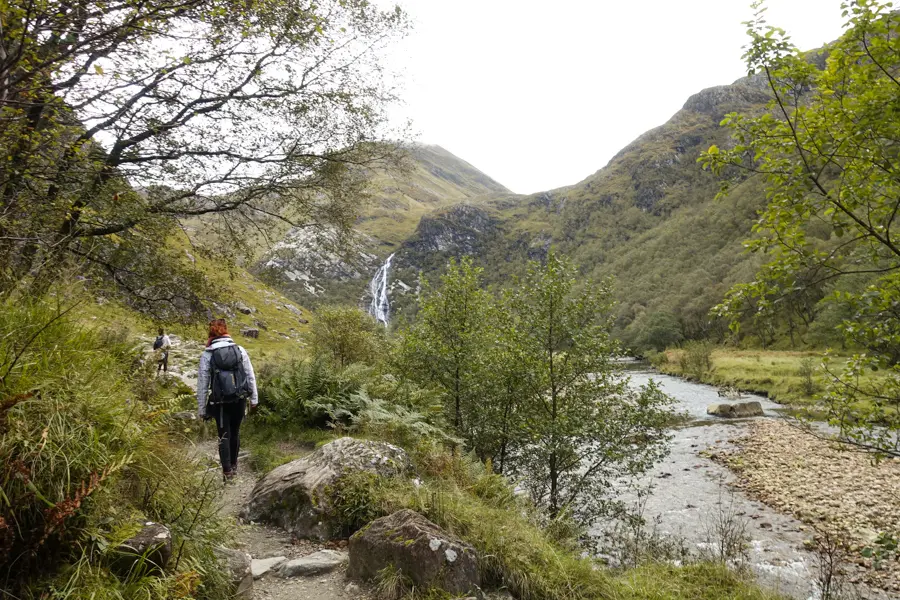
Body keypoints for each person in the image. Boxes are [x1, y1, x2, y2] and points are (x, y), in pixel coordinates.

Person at [196, 319, 258, 480]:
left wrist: (202, 409)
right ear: (226, 332)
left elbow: (202, 383)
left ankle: (227, 472)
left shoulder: (208, 354)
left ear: (211, 334)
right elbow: (250, 376)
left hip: (220, 402)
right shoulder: (240, 350)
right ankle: (234, 465)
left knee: (224, 434)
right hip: (239, 400)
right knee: (235, 432)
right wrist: (254, 399)